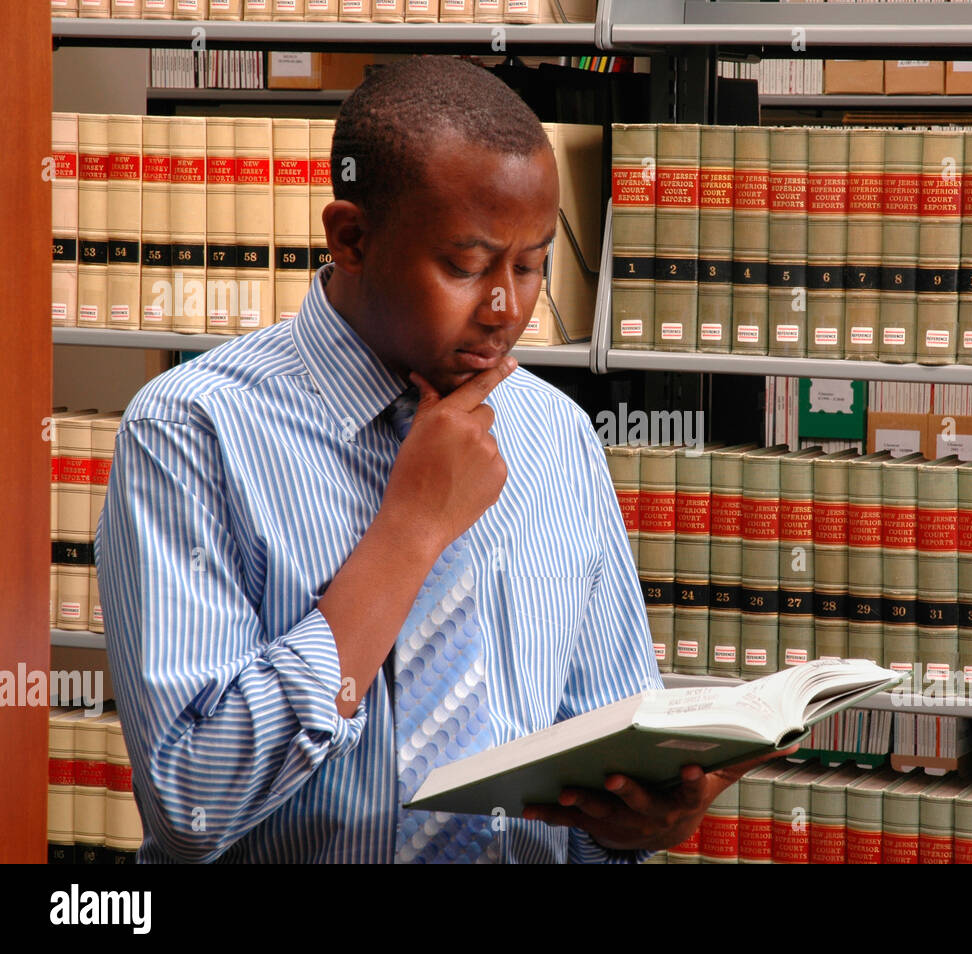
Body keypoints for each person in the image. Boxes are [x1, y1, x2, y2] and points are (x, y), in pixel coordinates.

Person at [96, 55, 768, 863]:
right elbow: (193, 808)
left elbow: (606, 743)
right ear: (351, 237)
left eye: (531, 265)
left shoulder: (553, 433)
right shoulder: (191, 429)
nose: (506, 308)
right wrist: (410, 532)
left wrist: (641, 822)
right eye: (466, 265)